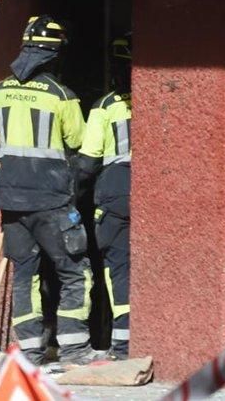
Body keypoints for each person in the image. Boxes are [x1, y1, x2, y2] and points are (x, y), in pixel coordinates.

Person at [0, 16, 94, 366]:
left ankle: (31, 351)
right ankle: (75, 349)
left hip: (13, 202)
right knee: (74, 271)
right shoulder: (62, 97)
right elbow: (80, 145)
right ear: (54, 56)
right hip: (53, 201)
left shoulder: (0, 92)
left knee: (25, 275)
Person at [82, 34, 132, 359]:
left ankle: (125, 344)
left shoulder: (104, 107)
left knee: (118, 269)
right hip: (150, 190)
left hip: (116, 191)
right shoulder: (160, 100)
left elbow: (88, 160)